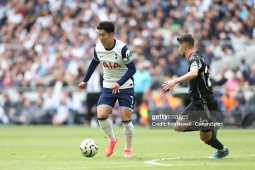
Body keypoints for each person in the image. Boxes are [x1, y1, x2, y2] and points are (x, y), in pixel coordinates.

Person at [162, 34, 229, 159]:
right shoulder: (195, 58)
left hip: (206, 103)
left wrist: (175, 81)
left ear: (184, 46)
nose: (178, 50)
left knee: (205, 138)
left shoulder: (194, 58)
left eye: (179, 47)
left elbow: (194, 73)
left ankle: (222, 150)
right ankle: (210, 126)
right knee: (178, 126)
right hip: (196, 102)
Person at [78, 21, 136, 157]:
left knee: (125, 119)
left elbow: (133, 69)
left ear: (111, 34)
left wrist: (120, 82)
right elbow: (93, 63)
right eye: (99, 35)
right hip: (108, 86)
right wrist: (84, 80)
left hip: (125, 86)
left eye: (103, 35)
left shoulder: (122, 49)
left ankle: (128, 148)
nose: (101, 38)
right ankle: (113, 139)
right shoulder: (98, 48)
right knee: (101, 115)